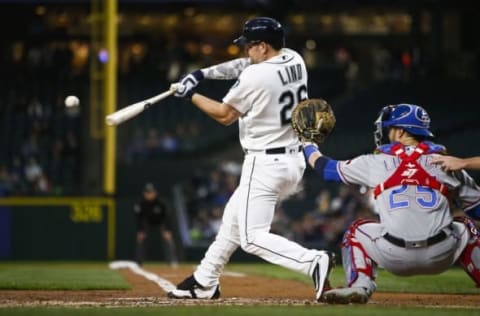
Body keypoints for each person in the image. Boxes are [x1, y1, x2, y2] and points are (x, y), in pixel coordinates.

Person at [167, 17, 333, 301]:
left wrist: (191, 94)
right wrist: (202, 74)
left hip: (265, 162)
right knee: (232, 221)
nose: (246, 51)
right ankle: (204, 280)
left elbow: (224, 115)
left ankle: (312, 261)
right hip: (293, 159)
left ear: (264, 47)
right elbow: (244, 66)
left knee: (251, 237)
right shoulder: (294, 58)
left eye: (251, 46)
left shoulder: (257, 76)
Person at [301, 103, 480, 303]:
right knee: (465, 226)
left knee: (356, 230)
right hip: (441, 254)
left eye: (390, 128)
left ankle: (360, 285)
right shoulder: (450, 164)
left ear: (401, 131)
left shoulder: (375, 162)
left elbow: (325, 168)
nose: (387, 132)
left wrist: (308, 144)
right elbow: (477, 210)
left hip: (394, 255)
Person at [134, 182, 178, 267]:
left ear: (155, 193)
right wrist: (140, 231)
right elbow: (138, 218)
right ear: (144, 193)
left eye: (151, 192)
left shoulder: (161, 203)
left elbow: (167, 217)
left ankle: (172, 261)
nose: (149, 195)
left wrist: (167, 230)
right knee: (141, 239)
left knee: (168, 239)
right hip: (146, 222)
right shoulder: (141, 203)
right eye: (147, 192)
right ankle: (138, 262)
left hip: (161, 222)